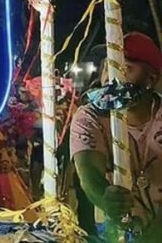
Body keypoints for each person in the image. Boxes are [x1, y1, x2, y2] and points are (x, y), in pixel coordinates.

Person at [70, 32, 162, 241]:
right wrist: (104, 196)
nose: (111, 77)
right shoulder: (90, 116)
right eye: (107, 66)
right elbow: (89, 174)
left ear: (151, 79)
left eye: (125, 68)